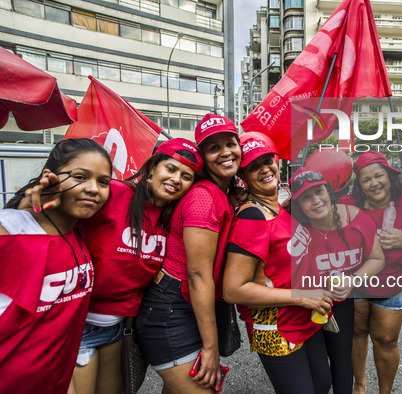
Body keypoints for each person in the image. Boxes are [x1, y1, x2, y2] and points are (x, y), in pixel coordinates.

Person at [71, 138, 202, 394]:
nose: (177, 179)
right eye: (171, 169)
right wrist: (32, 199)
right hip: (80, 325)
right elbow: (62, 211)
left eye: (187, 176)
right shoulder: (116, 193)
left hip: (120, 330)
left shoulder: (173, 216)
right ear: (152, 167)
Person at [135, 114, 242, 393]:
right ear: (203, 157)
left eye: (230, 143)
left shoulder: (222, 193)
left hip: (183, 303)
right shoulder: (203, 197)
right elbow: (197, 275)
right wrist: (211, 347)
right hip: (171, 306)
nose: (226, 152)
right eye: (214, 148)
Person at [223, 135, 334, 394]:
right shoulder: (252, 216)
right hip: (276, 328)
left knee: (322, 384)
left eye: (267, 160)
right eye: (253, 166)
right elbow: (233, 289)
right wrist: (303, 296)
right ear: (243, 175)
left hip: (305, 317)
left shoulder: (278, 207)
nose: (264, 168)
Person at [0, 138, 112, 393]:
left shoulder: (76, 236)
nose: (94, 188)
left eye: (103, 182)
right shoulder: (12, 226)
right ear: (50, 178)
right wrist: (24, 206)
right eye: (80, 177)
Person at [339, 151, 402, 394]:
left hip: (392, 285)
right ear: (359, 185)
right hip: (355, 283)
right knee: (356, 334)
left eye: (379, 176)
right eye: (366, 179)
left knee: (386, 341)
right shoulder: (347, 205)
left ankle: (385, 391)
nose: (374, 183)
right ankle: (359, 385)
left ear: (390, 176)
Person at [290, 166, 386, 394]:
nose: (316, 201)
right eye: (306, 197)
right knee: (319, 373)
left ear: (329, 192)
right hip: (306, 307)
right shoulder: (293, 226)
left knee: (343, 363)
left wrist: (352, 280)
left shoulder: (357, 218)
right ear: (298, 205)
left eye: (319, 192)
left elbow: (377, 258)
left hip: (341, 305)